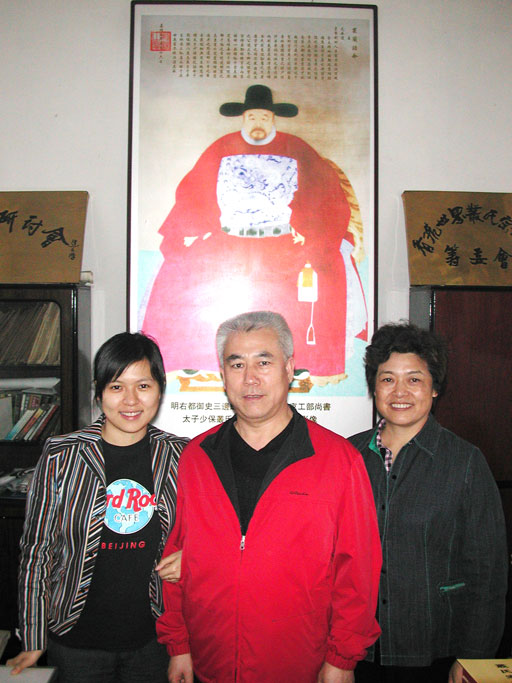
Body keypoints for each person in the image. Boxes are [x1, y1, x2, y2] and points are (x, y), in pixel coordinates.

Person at [156, 310, 382, 683]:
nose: (250, 378)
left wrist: (342, 659)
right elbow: (176, 556)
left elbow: (357, 571)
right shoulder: (197, 457)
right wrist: (178, 644)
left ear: (289, 368)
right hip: (211, 660)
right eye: (237, 364)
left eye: (264, 362)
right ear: (222, 375)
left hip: (298, 664)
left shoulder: (338, 460)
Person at [142, 85, 367, 384]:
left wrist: (307, 230)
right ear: (243, 118)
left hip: (283, 241)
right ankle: (191, 357)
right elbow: (194, 194)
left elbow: (323, 194)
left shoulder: (297, 148)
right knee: (180, 268)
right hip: (228, 240)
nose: (258, 123)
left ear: (273, 119)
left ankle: (306, 360)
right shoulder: (222, 147)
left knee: (322, 270)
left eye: (263, 117)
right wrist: (191, 231)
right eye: (252, 117)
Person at [8, 332, 188, 682]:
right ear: (99, 390)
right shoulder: (62, 455)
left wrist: (194, 555)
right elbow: (37, 551)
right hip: (76, 642)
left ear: (160, 389)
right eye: (117, 387)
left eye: (143, 386)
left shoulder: (181, 455)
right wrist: (33, 637)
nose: (131, 400)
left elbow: (210, 532)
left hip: (153, 641)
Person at [349, 323, 508, 683]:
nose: (399, 391)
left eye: (414, 379)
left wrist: (475, 658)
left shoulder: (465, 462)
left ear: (435, 388)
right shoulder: (348, 456)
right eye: (387, 379)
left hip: (436, 649)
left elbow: (488, 575)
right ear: (374, 386)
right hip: (357, 651)